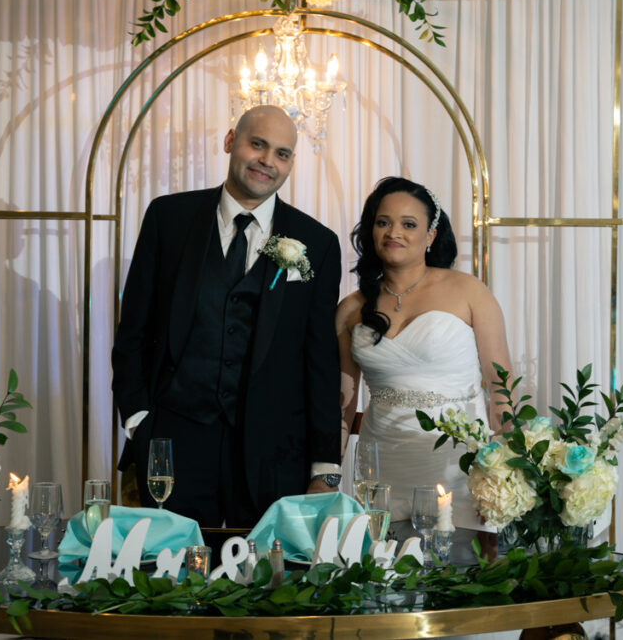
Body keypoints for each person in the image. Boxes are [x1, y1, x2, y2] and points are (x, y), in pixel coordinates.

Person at [112, 105, 342, 529]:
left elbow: (321, 360)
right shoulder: (169, 218)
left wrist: (325, 463)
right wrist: (138, 419)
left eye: (282, 153)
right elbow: (133, 330)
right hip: (173, 437)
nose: (267, 161)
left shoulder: (317, 242)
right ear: (230, 141)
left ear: (291, 162)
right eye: (258, 144)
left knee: (263, 567)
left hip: (273, 449)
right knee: (171, 563)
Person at [337, 176, 512, 558]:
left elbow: (502, 390)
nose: (393, 233)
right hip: (381, 468)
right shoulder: (351, 309)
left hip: (458, 467)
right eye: (383, 222)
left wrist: (502, 477)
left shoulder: (468, 291)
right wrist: (329, 478)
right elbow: (342, 407)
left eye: (408, 224)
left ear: (431, 235)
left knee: (462, 577)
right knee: (385, 576)